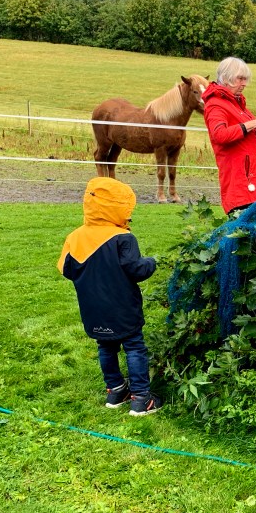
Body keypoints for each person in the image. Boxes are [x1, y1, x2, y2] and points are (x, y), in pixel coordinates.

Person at [58, 177, 161, 415]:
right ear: (117, 208)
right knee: (134, 347)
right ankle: (141, 398)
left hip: (92, 308)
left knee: (106, 346)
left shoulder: (75, 237)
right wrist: (152, 262)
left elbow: (66, 269)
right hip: (123, 307)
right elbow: (136, 270)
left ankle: (115, 390)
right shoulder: (123, 238)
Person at [202, 57, 256, 214]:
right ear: (226, 78)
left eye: (245, 79)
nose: (244, 83)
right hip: (243, 189)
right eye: (240, 79)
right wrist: (251, 124)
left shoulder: (236, 104)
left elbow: (247, 134)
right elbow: (219, 135)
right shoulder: (216, 105)